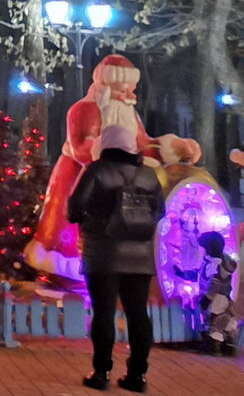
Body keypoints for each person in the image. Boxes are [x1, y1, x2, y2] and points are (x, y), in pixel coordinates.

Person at [27, 54, 198, 285]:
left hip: (118, 187)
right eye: (124, 88)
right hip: (76, 177)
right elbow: (80, 150)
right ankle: (66, 274)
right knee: (68, 233)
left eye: (132, 88)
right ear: (106, 86)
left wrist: (172, 149)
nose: (130, 95)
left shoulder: (129, 113)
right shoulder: (82, 110)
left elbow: (142, 145)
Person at [68, 123, 165, 393]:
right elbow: (162, 210)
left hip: (103, 254)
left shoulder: (97, 170)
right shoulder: (148, 174)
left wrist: (90, 222)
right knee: (138, 315)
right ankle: (138, 376)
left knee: (104, 312)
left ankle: (101, 372)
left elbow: (74, 208)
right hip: (141, 257)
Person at [197, 231, 238, 356]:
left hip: (215, 297)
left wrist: (207, 298)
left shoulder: (213, 264)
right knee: (225, 320)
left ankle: (214, 347)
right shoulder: (226, 261)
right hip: (226, 296)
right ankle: (229, 346)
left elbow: (214, 282)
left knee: (215, 321)